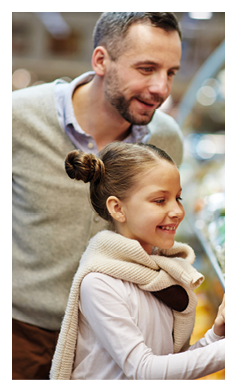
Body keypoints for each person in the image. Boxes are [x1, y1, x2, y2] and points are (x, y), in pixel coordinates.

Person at [12, 12, 185, 380]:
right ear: (101, 60)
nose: (161, 88)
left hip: (113, 339)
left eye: (171, 72)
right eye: (146, 68)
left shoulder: (166, 139)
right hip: (20, 334)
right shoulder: (17, 118)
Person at [50, 142, 225, 380]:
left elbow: (168, 365)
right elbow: (144, 370)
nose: (177, 211)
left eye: (178, 198)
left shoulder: (158, 274)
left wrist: (217, 335)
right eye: (160, 200)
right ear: (117, 208)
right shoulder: (100, 283)